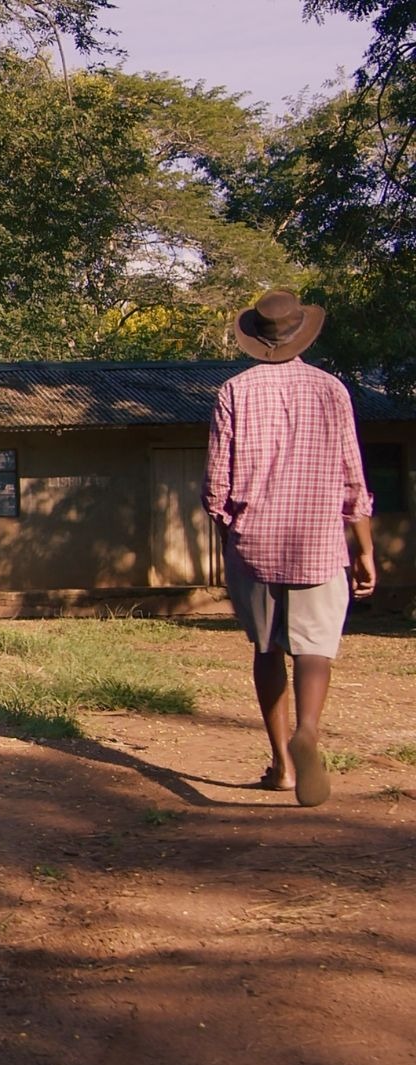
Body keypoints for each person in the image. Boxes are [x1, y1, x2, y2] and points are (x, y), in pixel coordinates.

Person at [203, 288, 376, 807]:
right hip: (320, 542)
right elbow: (353, 477)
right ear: (302, 333)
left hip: (254, 543)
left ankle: (282, 765)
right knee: (315, 648)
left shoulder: (233, 392)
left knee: (267, 648)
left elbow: (216, 487)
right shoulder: (332, 390)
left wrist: (228, 543)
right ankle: (308, 732)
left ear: (256, 339)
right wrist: (364, 549)